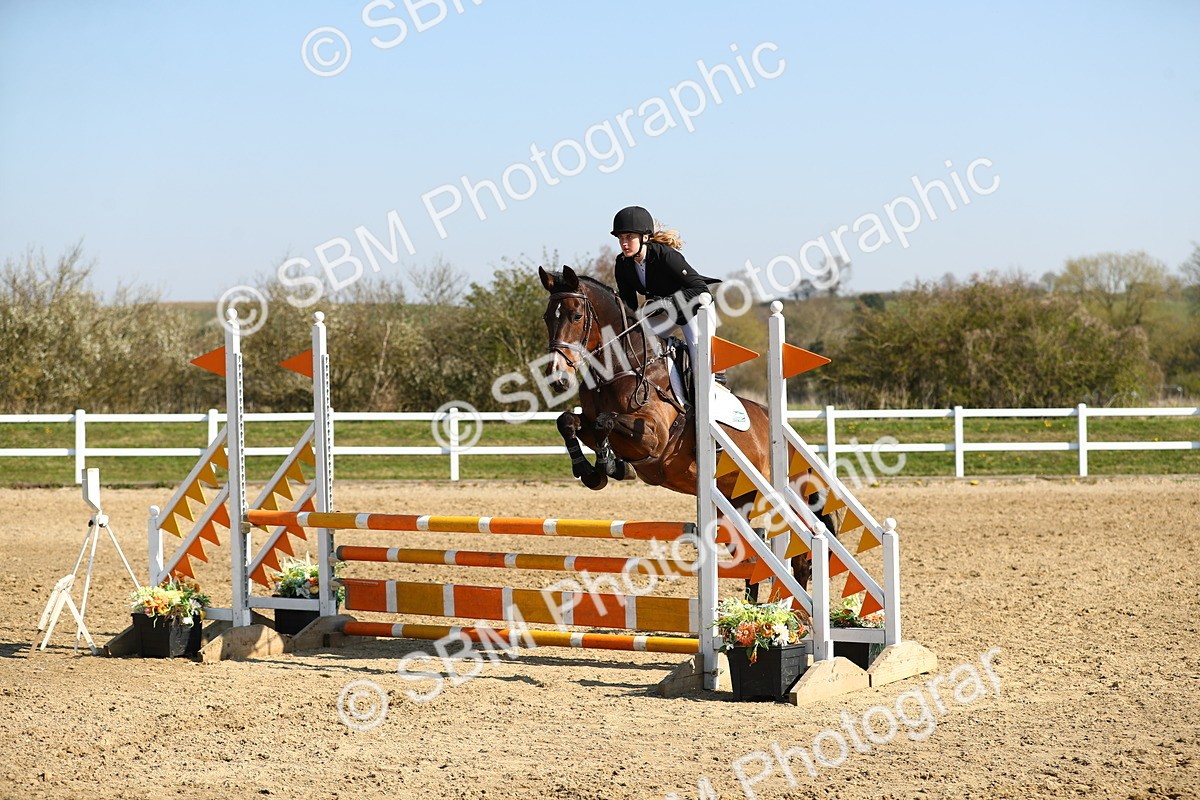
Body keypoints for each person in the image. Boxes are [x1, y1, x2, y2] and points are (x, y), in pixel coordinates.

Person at [611, 205, 722, 403]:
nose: (624, 243)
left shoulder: (665, 255)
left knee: (698, 355)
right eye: (620, 238)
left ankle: (708, 401)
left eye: (629, 237)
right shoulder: (623, 263)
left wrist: (666, 302)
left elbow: (700, 289)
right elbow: (629, 306)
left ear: (645, 237)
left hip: (694, 309)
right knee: (638, 344)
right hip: (664, 313)